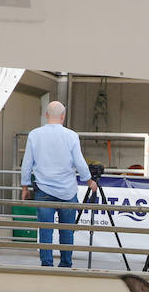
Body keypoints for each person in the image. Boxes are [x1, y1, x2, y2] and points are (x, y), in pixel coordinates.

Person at [20, 101, 95, 268]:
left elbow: (27, 163)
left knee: (45, 231)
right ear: (63, 116)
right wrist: (89, 181)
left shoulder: (34, 134)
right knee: (66, 231)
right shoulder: (71, 136)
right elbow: (80, 163)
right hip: (67, 192)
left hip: (43, 190)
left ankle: (46, 265)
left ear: (46, 115)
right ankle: (66, 265)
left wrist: (25, 186)